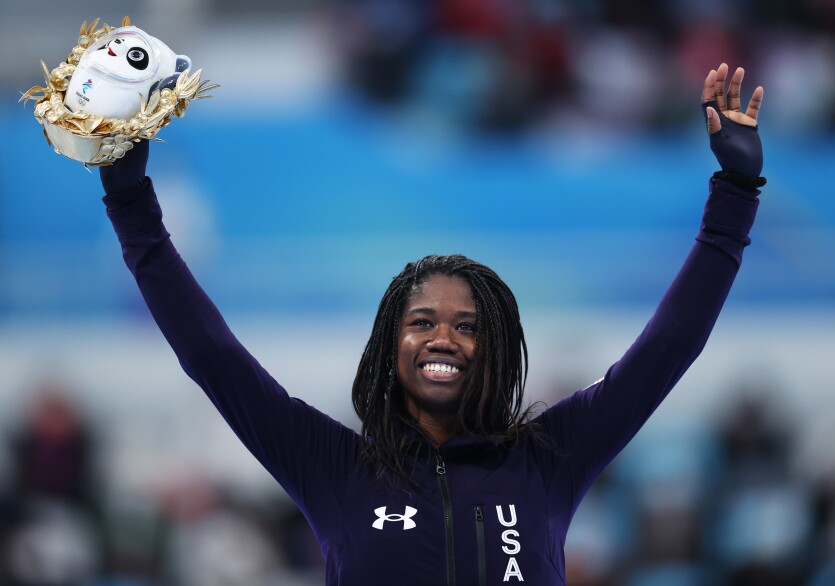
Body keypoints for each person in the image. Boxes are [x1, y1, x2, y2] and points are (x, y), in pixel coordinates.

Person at [96, 63, 765, 585]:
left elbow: (669, 346)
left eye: (468, 326)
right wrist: (129, 201)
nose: (443, 337)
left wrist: (735, 194)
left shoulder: (550, 459)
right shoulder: (331, 466)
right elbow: (210, 353)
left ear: (496, 350)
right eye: (421, 321)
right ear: (392, 346)